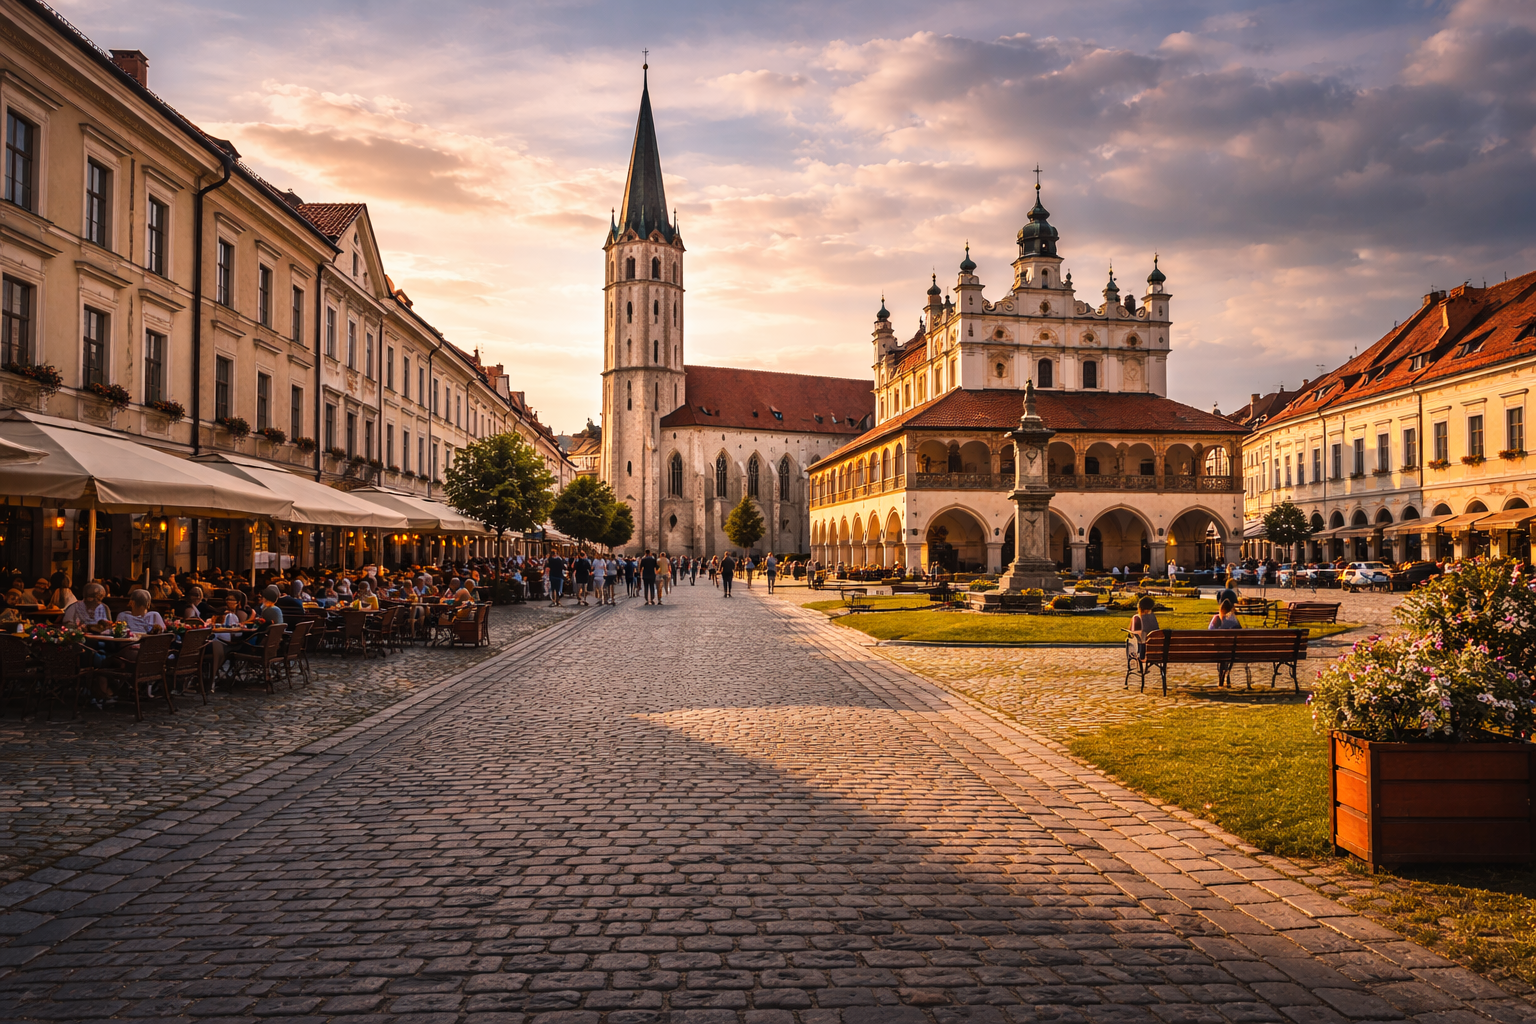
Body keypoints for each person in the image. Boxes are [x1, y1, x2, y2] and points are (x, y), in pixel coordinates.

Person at [1208, 597, 1242, 687]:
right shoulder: (1233, 621)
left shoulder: (1216, 619)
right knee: (1228, 652)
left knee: (1223, 653)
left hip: (1218, 649)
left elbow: (1209, 633)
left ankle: (1221, 678)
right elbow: (1240, 633)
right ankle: (1226, 674)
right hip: (1232, 650)